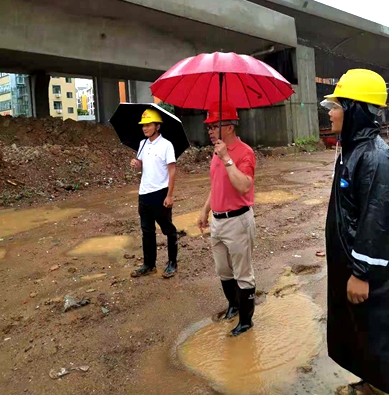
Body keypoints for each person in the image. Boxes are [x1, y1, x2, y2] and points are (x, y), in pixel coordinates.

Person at [321, 69, 389, 395]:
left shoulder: (375, 156)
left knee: (375, 334)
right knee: (360, 332)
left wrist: (361, 272)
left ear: (355, 110)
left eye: (336, 105)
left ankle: (379, 386)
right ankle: (370, 381)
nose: (330, 112)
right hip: (348, 265)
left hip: (364, 273)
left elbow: (377, 219)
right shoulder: (352, 149)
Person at [197, 101, 256, 337]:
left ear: (229, 127)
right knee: (223, 269)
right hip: (218, 221)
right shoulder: (216, 152)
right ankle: (233, 304)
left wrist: (227, 159)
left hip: (238, 221)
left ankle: (246, 320)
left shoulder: (245, 153)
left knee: (243, 272)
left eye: (213, 125)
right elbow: (216, 185)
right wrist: (205, 210)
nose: (209, 130)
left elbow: (243, 186)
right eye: (209, 126)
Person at [130, 108, 178, 279]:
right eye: (143, 125)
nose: (145, 128)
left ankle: (172, 263)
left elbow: (172, 171)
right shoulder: (143, 144)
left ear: (158, 126)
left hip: (160, 192)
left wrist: (170, 195)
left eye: (149, 124)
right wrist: (137, 164)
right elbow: (144, 165)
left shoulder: (166, 145)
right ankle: (149, 264)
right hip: (144, 193)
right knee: (147, 231)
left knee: (168, 229)